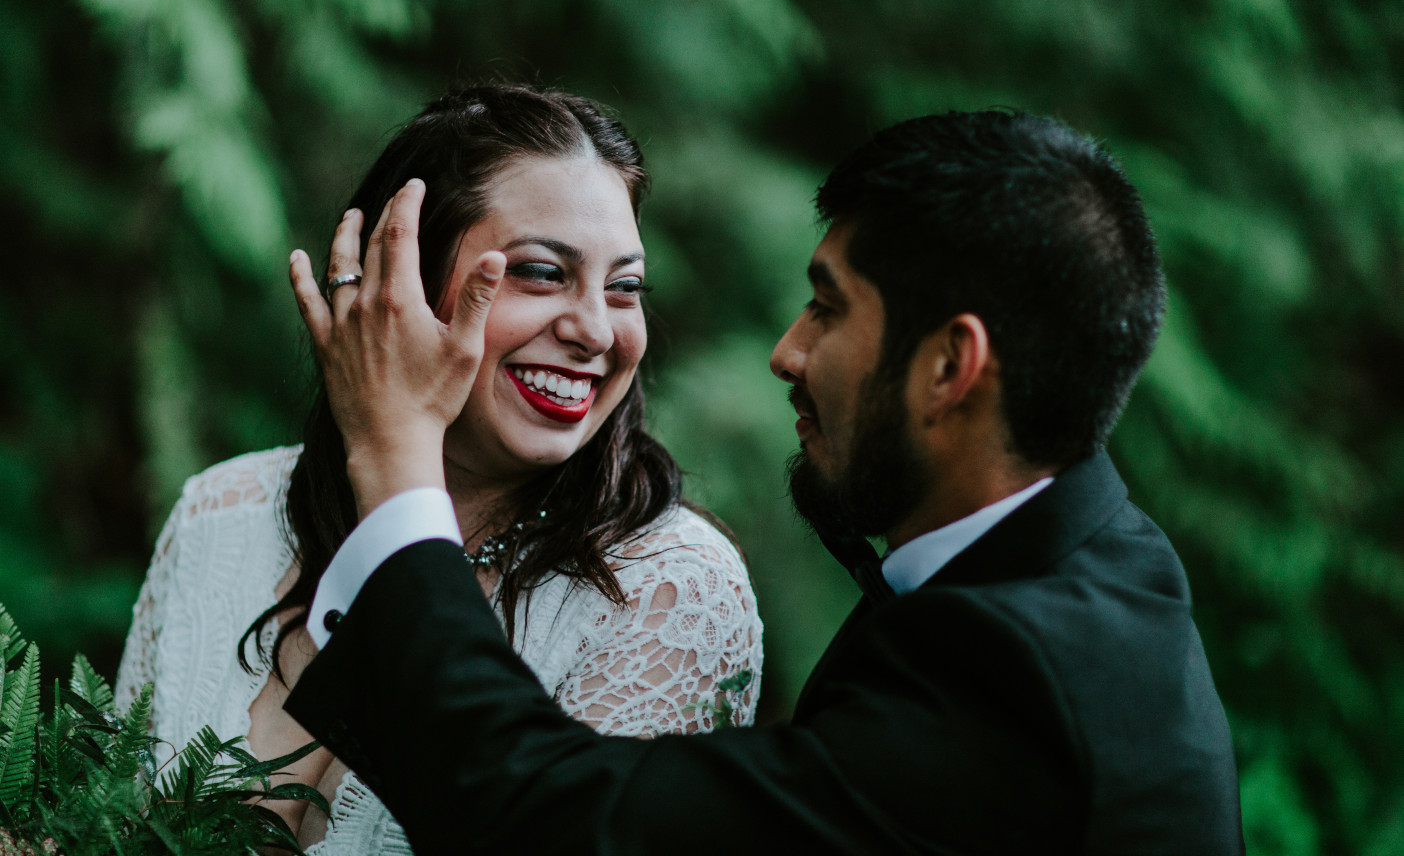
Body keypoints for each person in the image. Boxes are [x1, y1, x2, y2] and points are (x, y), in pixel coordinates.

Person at [282, 110, 1245, 854]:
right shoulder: (1095, 565)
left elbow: (551, 822)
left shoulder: (1020, 686)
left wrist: (398, 456)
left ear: (951, 367)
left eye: (829, 308)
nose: (788, 352)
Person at [113, 86, 763, 853]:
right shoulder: (220, 513)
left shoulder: (669, 592)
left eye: (624, 288)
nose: (594, 330)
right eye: (542, 273)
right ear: (399, 285)